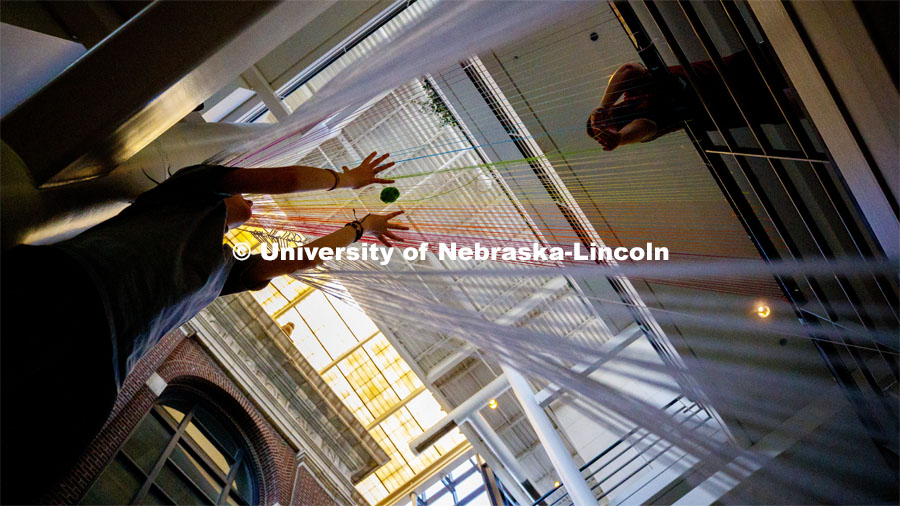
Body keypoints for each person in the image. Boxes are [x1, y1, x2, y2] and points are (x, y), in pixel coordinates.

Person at [0, 151, 405, 503]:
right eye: (243, 191)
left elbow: (299, 257)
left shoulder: (227, 268)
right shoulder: (193, 189)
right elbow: (290, 180)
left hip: (101, 366)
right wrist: (347, 179)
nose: (250, 202)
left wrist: (361, 229)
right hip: (70, 292)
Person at [586, 50, 788, 151]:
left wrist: (603, 105)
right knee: (797, 103)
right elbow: (645, 127)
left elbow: (629, 70)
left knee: (791, 56)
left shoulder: (634, 89)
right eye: (605, 130)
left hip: (741, 68)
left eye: (604, 121)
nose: (609, 121)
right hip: (750, 107)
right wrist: (620, 138)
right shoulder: (640, 130)